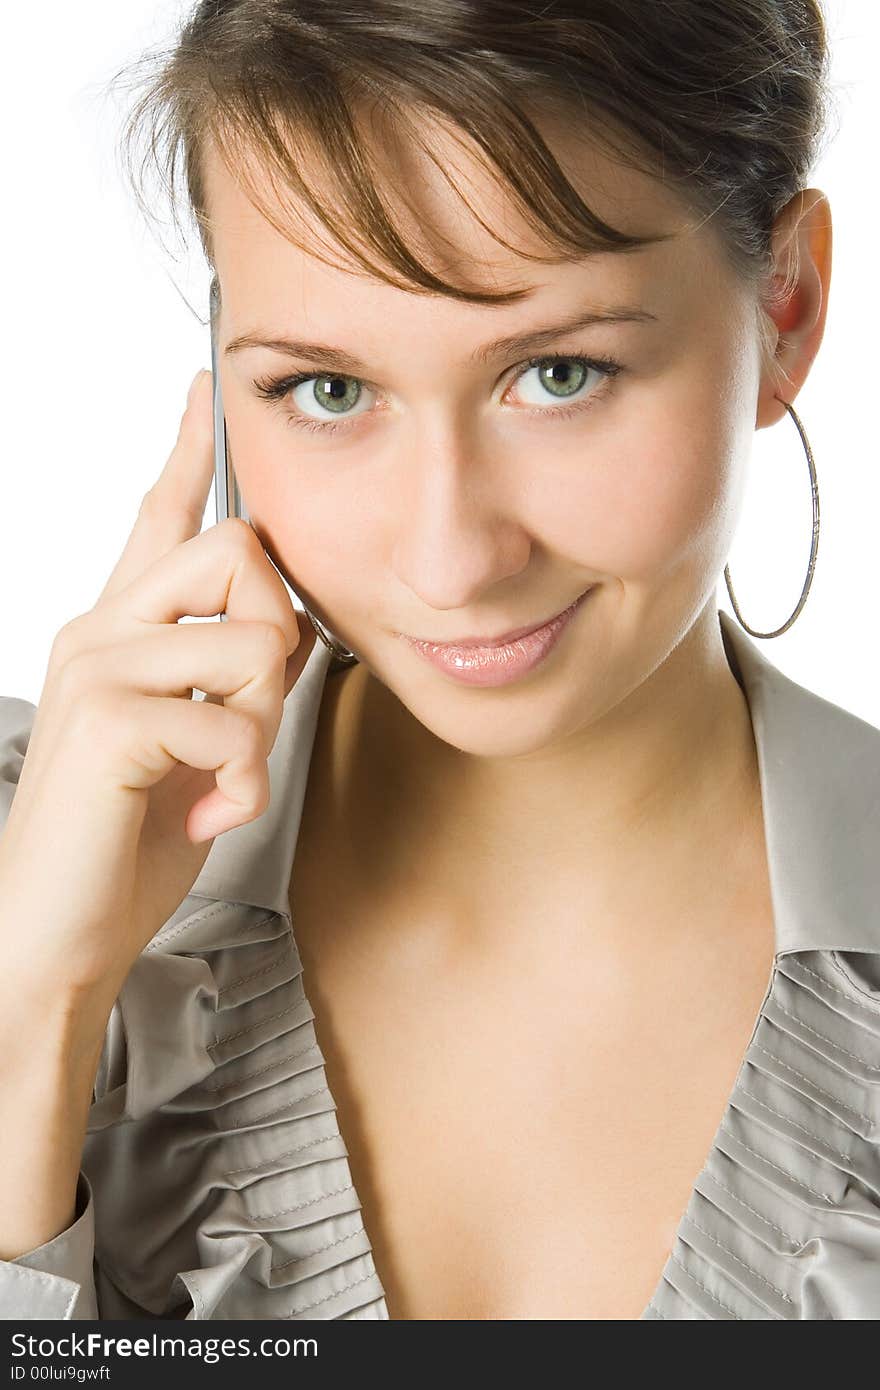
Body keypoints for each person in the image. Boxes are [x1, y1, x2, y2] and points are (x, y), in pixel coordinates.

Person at [1, 0, 878, 1322]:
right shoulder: (33, 861)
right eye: (330, 390)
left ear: (786, 307)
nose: (450, 557)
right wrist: (36, 1007)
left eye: (562, 373)